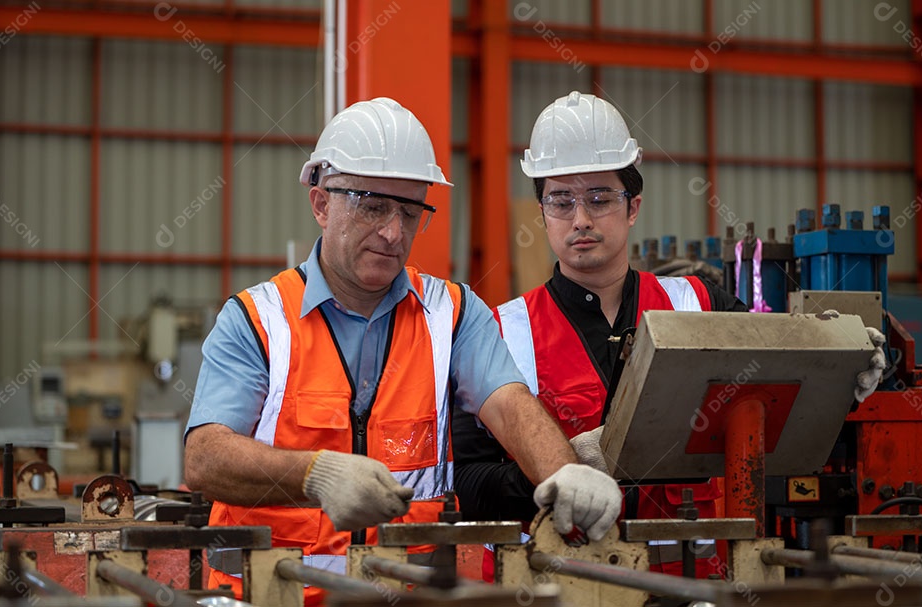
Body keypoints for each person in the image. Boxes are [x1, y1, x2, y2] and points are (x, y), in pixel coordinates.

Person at [182, 97, 622, 604]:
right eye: (373, 207)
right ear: (321, 204)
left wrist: (563, 471)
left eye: (410, 212)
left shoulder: (452, 313)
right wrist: (312, 474)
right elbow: (205, 456)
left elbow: (509, 404)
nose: (393, 232)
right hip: (267, 595)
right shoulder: (257, 320)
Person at [453, 91, 886, 578]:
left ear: (633, 206)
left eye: (599, 198)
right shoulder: (500, 331)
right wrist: (558, 472)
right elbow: (467, 480)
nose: (580, 219)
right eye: (561, 201)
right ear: (542, 212)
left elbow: (779, 395)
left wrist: (839, 369)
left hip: (695, 577)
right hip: (564, 582)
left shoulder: (701, 304)